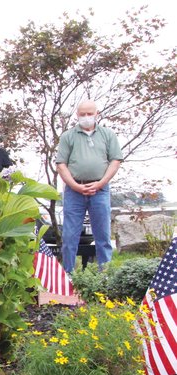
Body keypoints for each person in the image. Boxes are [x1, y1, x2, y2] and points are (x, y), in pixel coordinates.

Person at [56, 100, 123, 273]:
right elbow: (61, 165)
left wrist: (101, 183)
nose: (86, 117)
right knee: (70, 236)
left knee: (103, 236)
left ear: (96, 114)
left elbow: (115, 161)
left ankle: (105, 276)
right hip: (74, 191)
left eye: (89, 114)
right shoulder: (68, 136)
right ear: (77, 115)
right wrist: (75, 186)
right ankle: (68, 275)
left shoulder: (107, 135)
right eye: (82, 114)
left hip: (100, 190)